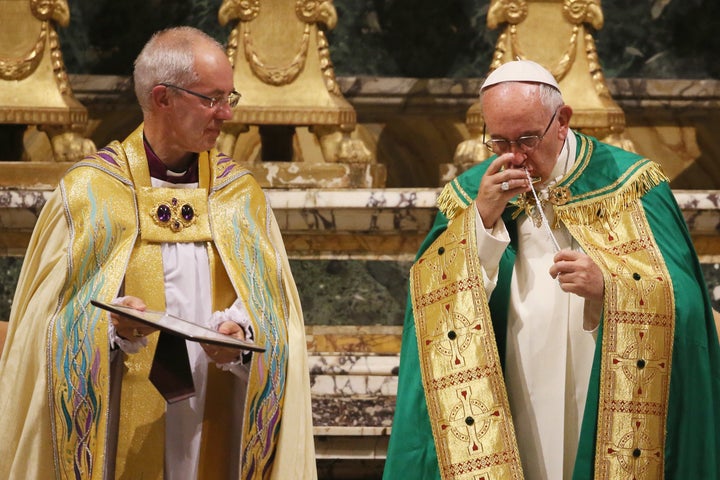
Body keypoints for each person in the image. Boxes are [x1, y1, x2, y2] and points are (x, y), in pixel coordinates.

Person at [0, 26, 317, 479]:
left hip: (215, 418)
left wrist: (242, 338)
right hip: (113, 430)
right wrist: (107, 328)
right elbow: (36, 335)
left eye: (231, 97)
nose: (227, 114)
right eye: (211, 98)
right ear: (163, 98)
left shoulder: (239, 196)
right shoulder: (89, 194)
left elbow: (280, 319)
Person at [384, 60, 720, 479]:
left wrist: (612, 288)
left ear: (561, 121)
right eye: (499, 141)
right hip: (510, 384)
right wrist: (482, 220)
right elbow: (429, 302)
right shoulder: (471, 193)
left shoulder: (630, 184)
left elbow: (687, 304)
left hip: (597, 386)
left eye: (527, 138)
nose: (515, 156)